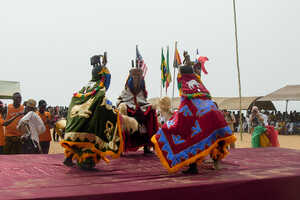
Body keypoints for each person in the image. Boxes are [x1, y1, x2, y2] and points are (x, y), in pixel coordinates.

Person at [151, 52, 236, 174]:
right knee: (216, 138)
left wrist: (175, 121)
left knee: (188, 136)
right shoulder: (200, 87)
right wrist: (187, 60)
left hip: (202, 116)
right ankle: (216, 163)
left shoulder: (186, 93)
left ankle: (193, 166)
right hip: (214, 114)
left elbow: (185, 113)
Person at [60, 53, 137, 170]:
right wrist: (115, 113)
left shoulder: (84, 88)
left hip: (74, 123)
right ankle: (86, 160)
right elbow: (104, 106)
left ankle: (70, 157)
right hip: (86, 124)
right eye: (108, 79)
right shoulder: (99, 90)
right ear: (104, 78)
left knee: (83, 131)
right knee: (94, 132)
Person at [116, 59, 158, 154]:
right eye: (134, 76)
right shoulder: (126, 91)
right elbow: (119, 100)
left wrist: (149, 106)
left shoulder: (141, 91)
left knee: (151, 112)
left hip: (140, 109)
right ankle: (122, 146)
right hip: (129, 109)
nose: (136, 79)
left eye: (138, 77)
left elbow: (143, 101)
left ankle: (147, 145)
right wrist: (122, 105)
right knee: (123, 114)